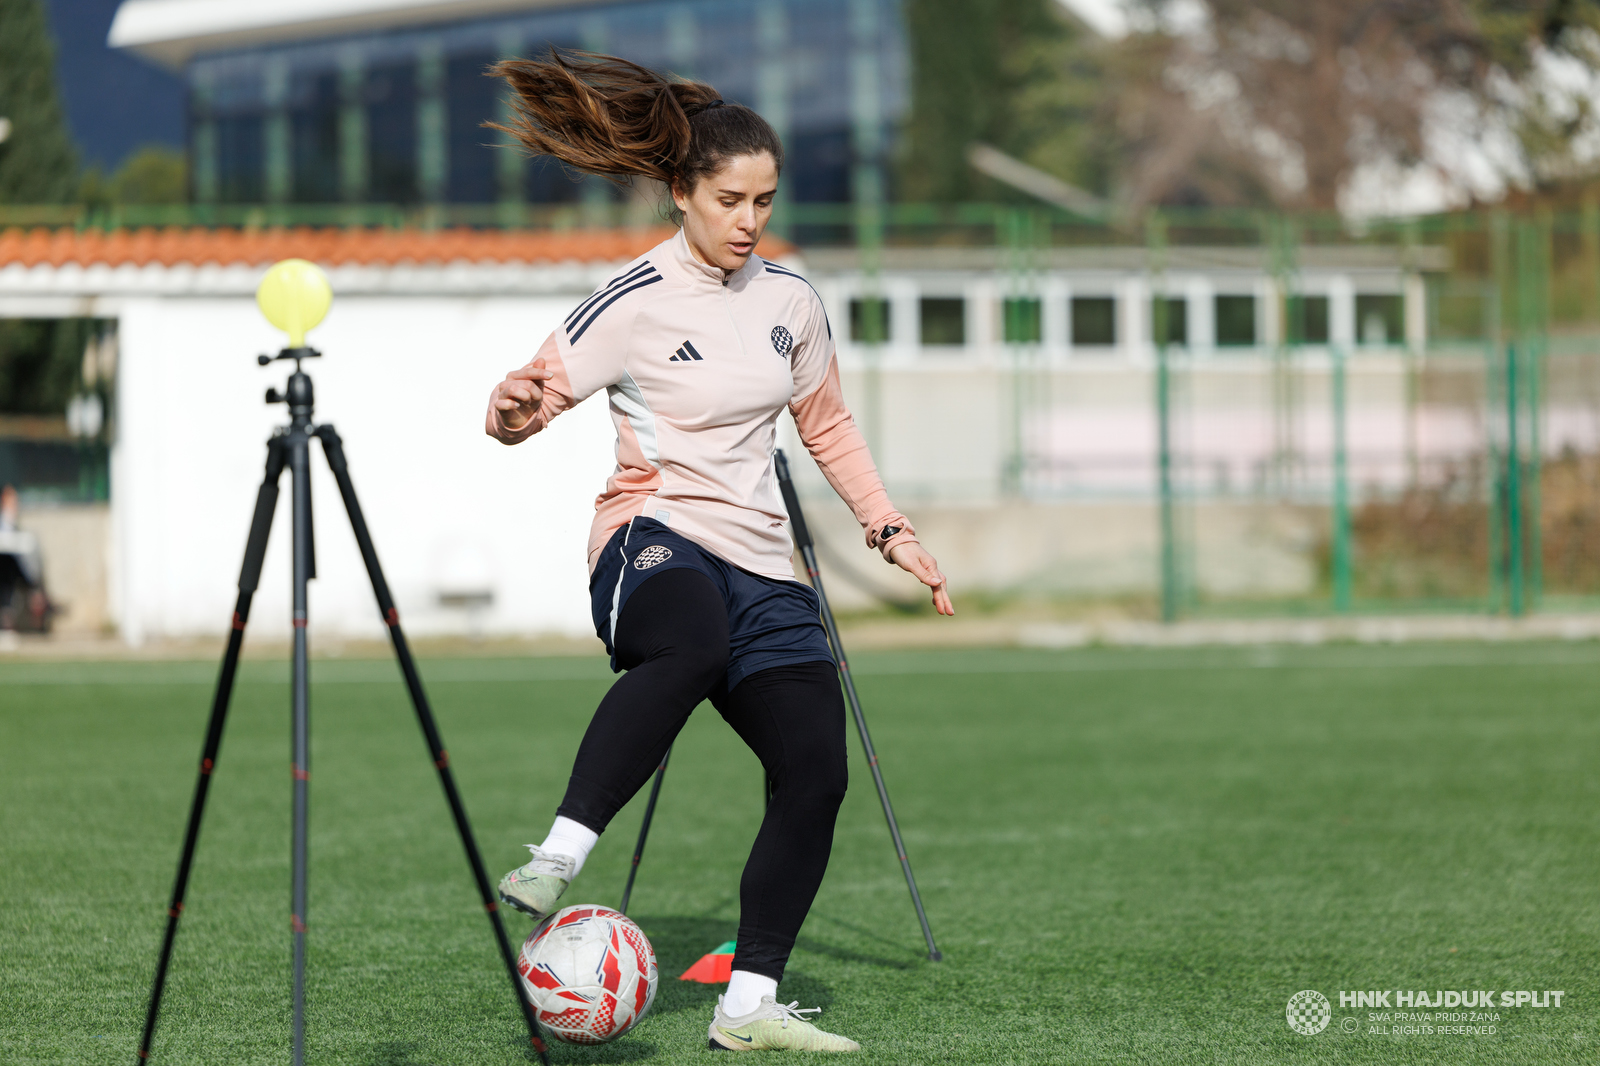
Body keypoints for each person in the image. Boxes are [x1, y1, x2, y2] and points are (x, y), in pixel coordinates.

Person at [483, 50, 952, 1054]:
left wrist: (890, 530)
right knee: (690, 645)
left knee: (815, 774)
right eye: (731, 200)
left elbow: (828, 427)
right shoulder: (631, 299)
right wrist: (510, 409)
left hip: (764, 565)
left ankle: (747, 1009)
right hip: (652, 537)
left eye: (763, 201)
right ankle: (555, 856)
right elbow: (528, 400)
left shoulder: (792, 302)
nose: (748, 221)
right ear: (682, 193)